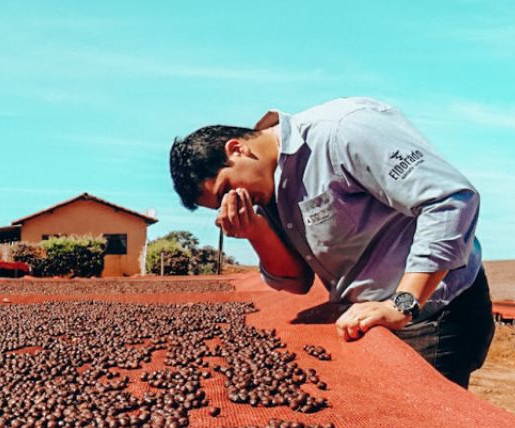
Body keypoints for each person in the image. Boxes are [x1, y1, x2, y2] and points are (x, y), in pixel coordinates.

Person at [169, 97, 495, 388]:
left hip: (430, 314)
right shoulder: (266, 191)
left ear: (236, 149)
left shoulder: (342, 131)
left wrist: (403, 304)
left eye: (228, 191)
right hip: (368, 319)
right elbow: (297, 281)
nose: (234, 203)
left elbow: (450, 200)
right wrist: (255, 230)